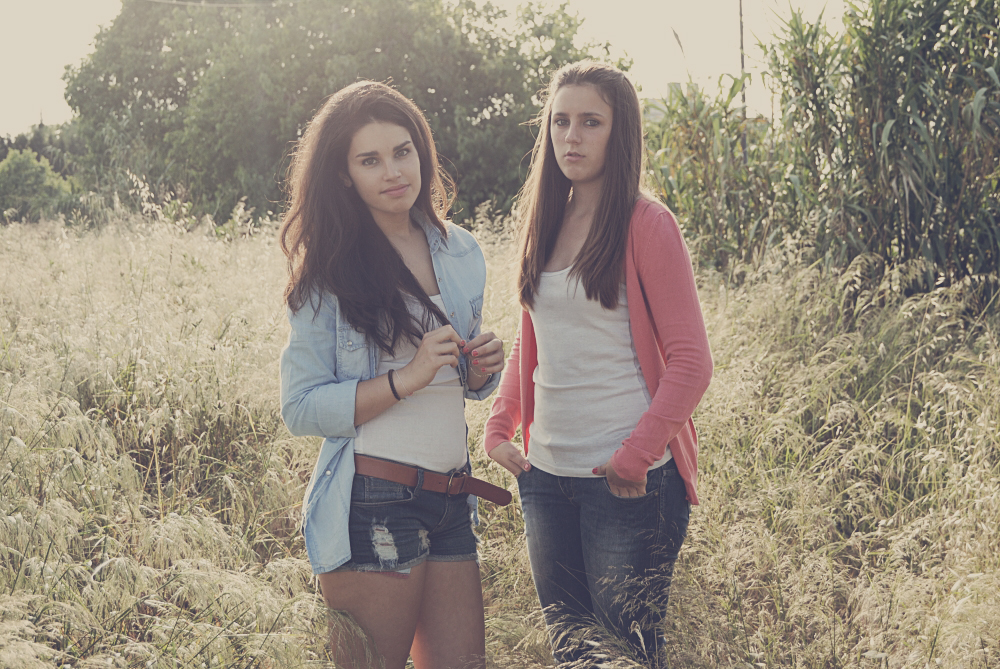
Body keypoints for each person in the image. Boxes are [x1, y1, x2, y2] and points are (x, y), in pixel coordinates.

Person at [483, 61, 714, 665]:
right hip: (544, 478)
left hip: (626, 482)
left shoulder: (647, 224)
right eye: (560, 121)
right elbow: (537, 336)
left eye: (591, 122)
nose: (572, 137)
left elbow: (692, 363)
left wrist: (633, 457)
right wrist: (500, 424)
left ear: (620, 131)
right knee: (574, 655)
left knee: (624, 657)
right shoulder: (546, 220)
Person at [279, 81, 508, 669]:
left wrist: (482, 369)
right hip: (375, 500)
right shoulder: (329, 270)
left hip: (453, 496)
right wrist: (406, 378)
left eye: (403, 152)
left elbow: (462, 383)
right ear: (343, 174)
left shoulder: (461, 251)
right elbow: (300, 407)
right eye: (370, 160)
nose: (393, 171)